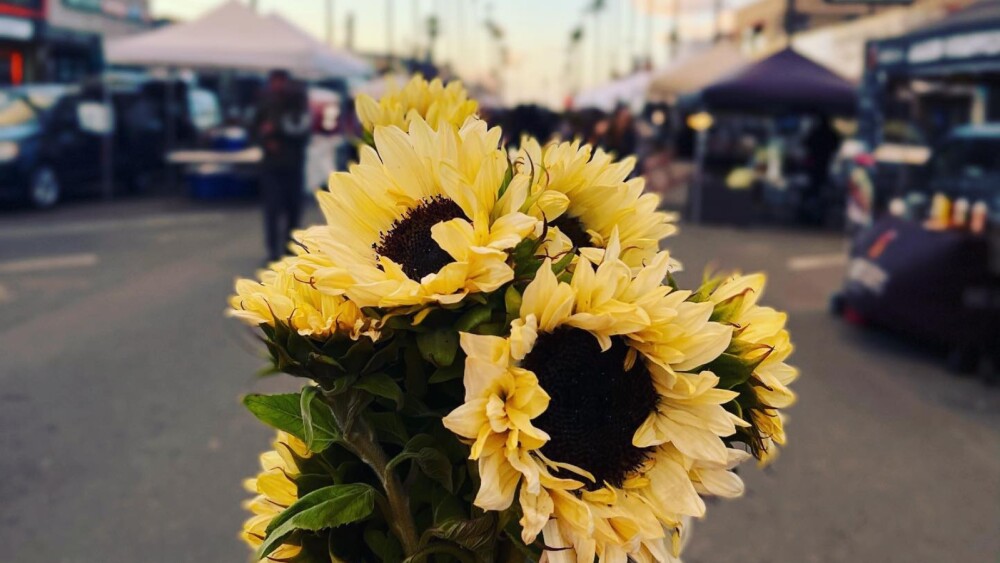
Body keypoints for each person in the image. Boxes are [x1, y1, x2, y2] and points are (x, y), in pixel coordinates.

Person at [254, 69, 311, 262]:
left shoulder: (297, 104)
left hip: (294, 165)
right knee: (272, 210)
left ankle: (289, 248)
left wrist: (275, 130)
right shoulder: (265, 105)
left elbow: (302, 131)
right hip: (272, 166)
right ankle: (272, 251)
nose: (278, 86)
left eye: (281, 81)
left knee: (293, 210)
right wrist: (265, 138)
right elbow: (254, 130)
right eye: (275, 82)